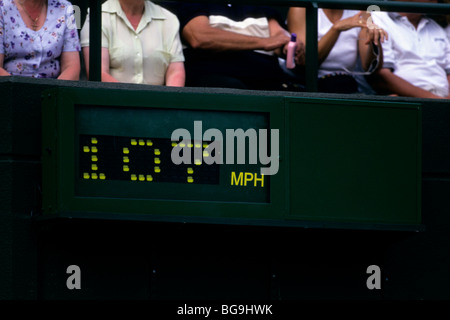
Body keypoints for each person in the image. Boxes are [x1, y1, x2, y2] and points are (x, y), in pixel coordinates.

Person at [163, 2, 303, 91]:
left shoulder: (261, 6)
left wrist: (289, 45)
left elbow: (279, 36)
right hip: (217, 79)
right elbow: (200, 37)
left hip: (267, 80)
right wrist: (264, 42)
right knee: (230, 88)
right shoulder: (191, 4)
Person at [80, 0, 185, 86]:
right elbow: (99, 74)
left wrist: (165, 104)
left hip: (159, 107)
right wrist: (133, 101)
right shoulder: (98, 17)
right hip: (113, 105)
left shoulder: (169, 19)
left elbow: (176, 72)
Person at [287, 7, 387, 93]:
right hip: (309, 86)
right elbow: (305, 62)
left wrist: (374, 40)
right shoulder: (301, 9)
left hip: (347, 87)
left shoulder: (361, 12)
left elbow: (370, 67)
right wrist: (336, 29)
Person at [370, 0, 450, 99]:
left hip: (442, 99)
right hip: (405, 101)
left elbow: (448, 70)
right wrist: (435, 100)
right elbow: (382, 76)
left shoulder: (436, 27)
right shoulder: (378, 19)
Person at [0, 0, 80, 79]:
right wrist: (18, 90)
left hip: (55, 88)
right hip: (9, 88)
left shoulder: (65, 8)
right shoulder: (2, 8)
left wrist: (56, 90)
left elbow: (72, 66)